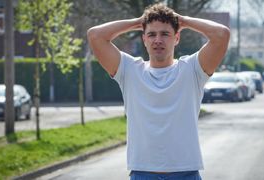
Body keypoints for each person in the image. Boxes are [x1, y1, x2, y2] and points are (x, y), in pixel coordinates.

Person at [87, 3, 230, 180]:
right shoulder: (129, 70)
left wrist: (183, 20)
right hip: (142, 173)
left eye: (165, 34)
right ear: (144, 39)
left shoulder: (193, 70)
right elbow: (95, 35)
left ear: (177, 38)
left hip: (185, 173)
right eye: (152, 34)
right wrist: (139, 21)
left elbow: (222, 35)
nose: (158, 40)